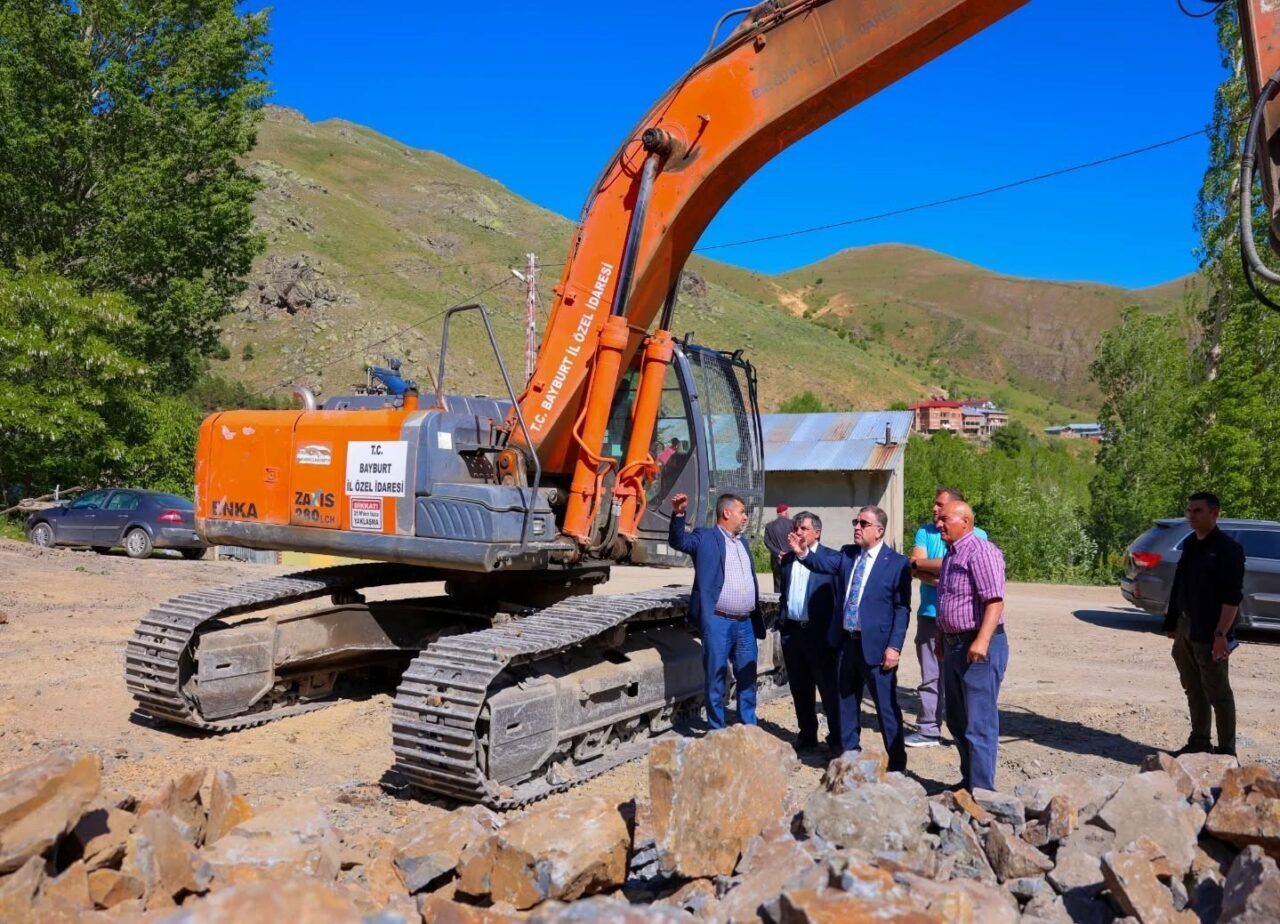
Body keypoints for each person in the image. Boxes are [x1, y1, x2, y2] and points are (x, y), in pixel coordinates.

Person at [789, 505, 911, 769]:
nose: (856, 526)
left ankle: (897, 763)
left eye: (863, 523)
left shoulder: (897, 564)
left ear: (879, 531)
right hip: (847, 644)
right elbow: (822, 563)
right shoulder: (848, 555)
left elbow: (902, 609)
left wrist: (894, 646)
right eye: (856, 522)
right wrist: (802, 553)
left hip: (877, 648)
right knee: (845, 702)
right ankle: (849, 754)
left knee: (886, 708)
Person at [668, 491, 765, 729]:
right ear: (727, 512)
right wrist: (679, 513)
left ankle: (749, 725)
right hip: (718, 621)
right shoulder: (705, 537)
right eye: (742, 512)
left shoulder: (742, 542)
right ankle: (717, 729)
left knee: (747, 674)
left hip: (745, 623)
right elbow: (678, 541)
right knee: (716, 675)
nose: (745, 517)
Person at [1163, 492, 1245, 757]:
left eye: (1198, 510)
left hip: (1211, 633)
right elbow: (1180, 584)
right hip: (1187, 627)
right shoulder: (1190, 544)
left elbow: (1232, 598)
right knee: (1193, 688)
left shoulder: (1228, 550)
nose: (1191, 515)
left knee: (1218, 694)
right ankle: (1199, 742)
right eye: (1189, 510)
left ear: (1215, 513)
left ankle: (1226, 753)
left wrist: (1221, 634)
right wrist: (1172, 621)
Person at [934, 499, 1008, 792]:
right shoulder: (952, 555)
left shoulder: (981, 551)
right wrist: (941, 639)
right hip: (953, 646)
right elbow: (947, 601)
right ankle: (969, 781)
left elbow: (994, 600)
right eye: (939, 519)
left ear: (965, 522)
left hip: (978, 648)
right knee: (957, 719)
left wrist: (982, 640)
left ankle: (982, 792)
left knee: (979, 723)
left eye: (945, 519)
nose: (939, 524)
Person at [907, 488, 987, 748]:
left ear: (957, 508)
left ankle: (968, 733)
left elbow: (954, 567)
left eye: (940, 505)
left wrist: (934, 569)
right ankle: (929, 729)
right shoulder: (924, 532)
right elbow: (914, 565)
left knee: (966, 679)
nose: (934, 509)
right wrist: (946, 574)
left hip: (967, 622)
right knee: (931, 676)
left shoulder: (979, 536)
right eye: (934, 504)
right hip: (931, 617)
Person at [777, 511, 841, 754]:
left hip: (819, 635)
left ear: (817, 532)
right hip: (793, 634)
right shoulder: (787, 560)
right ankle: (807, 735)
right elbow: (784, 592)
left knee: (828, 690)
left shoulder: (831, 559)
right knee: (800, 688)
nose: (798, 532)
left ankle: (836, 740)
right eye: (796, 528)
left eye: (803, 528)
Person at [764, 504, 794, 592]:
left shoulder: (769, 526)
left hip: (776, 559)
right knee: (791, 583)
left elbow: (767, 542)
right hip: (791, 558)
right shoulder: (792, 524)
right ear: (785, 512)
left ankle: (778, 604)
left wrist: (778, 552)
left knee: (778, 584)